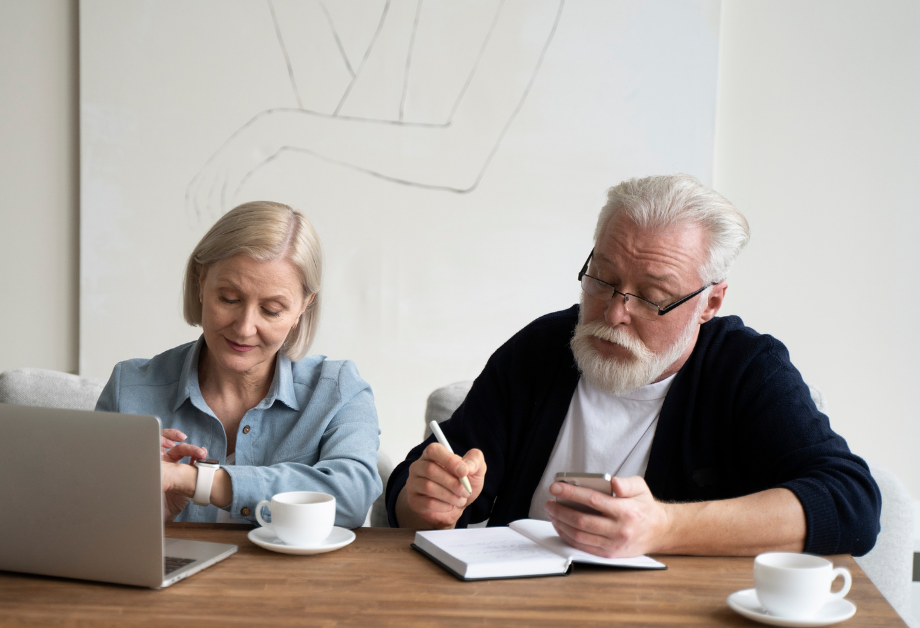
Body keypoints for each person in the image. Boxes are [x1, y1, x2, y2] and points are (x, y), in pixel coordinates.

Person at [387, 174, 881, 557]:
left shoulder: (746, 370)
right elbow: (413, 488)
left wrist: (663, 527)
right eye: (601, 279)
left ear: (710, 303)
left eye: (653, 297)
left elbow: (851, 504)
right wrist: (425, 500)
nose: (615, 313)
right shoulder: (543, 349)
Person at [95, 201, 381, 528]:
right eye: (229, 299)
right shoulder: (129, 389)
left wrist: (191, 479)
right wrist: (144, 517)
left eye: (272, 310)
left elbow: (350, 500)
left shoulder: (339, 389)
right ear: (200, 283)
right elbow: (83, 517)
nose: (244, 328)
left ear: (304, 306)